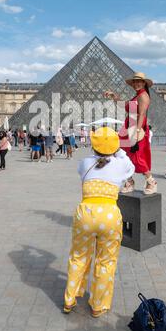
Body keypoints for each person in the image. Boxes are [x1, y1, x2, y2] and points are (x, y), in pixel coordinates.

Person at [64, 127, 135, 317]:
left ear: (94, 146)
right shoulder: (121, 165)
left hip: (86, 213)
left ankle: (70, 300)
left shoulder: (85, 162)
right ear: (115, 146)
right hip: (110, 215)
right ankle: (98, 305)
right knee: (106, 261)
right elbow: (130, 166)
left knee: (78, 257)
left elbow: (89, 165)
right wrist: (118, 150)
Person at [104, 72, 157, 195]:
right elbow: (125, 105)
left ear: (144, 83)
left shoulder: (143, 96)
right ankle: (129, 181)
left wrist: (137, 132)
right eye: (134, 82)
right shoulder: (136, 96)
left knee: (137, 156)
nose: (136, 84)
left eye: (139, 81)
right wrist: (114, 96)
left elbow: (142, 115)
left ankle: (151, 181)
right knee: (123, 155)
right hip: (129, 126)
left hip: (136, 128)